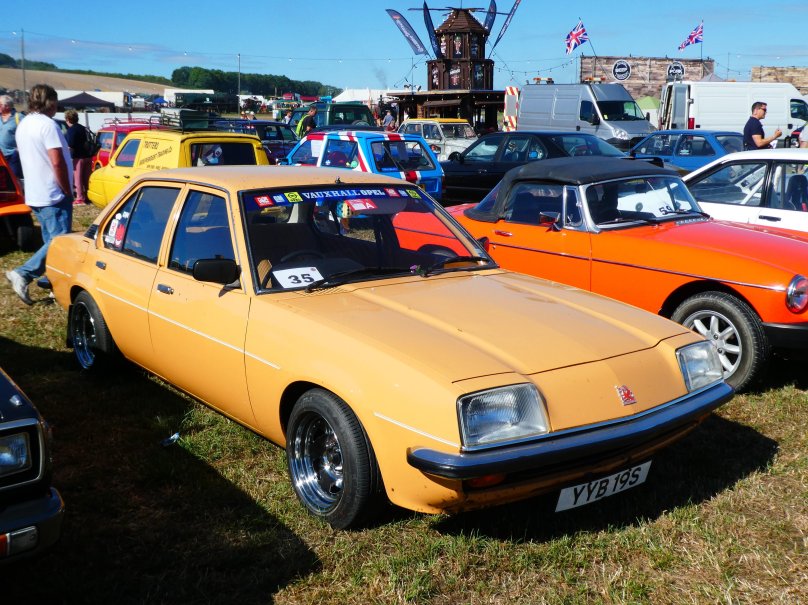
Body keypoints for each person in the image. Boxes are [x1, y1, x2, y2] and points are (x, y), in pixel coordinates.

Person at [5, 84, 73, 305]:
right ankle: (24, 273)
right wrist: (66, 189)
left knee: (50, 241)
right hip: (52, 192)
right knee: (58, 242)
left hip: (36, 192)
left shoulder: (24, 124)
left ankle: (52, 283)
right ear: (50, 102)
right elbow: (57, 161)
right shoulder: (48, 125)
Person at [63, 109, 91, 206]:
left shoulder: (71, 130)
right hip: (88, 156)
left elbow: (70, 144)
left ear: (68, 119)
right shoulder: (82, 128)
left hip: (78, 157)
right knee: (87, 179)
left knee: (78, 179)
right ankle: (88, 196)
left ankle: (80, 198)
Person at [0, 95, 23, 180]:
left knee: (14, 179)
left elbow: (26, 133)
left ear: (7, 106)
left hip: (13, 155)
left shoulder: (19, 117)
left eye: (0, 104)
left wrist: (18, 149)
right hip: (1, 156)